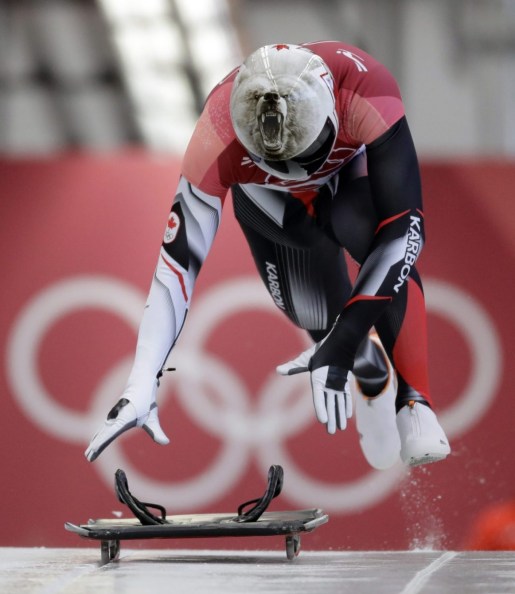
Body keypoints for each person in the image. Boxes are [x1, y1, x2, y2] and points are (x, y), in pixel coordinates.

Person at [85, 41, 450, 469]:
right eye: (280, 162)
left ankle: (414, 401)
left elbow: (406, 228)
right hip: (273, 205)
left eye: (307, 156)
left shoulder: (366, 89)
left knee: (366, 227)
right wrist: (141, 383)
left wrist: (346, 336)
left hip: (350, 178)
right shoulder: (216, 135)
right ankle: (370, 370)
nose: (299, 170)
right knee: (312, 316)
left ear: (334, 113)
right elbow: (175, 267)